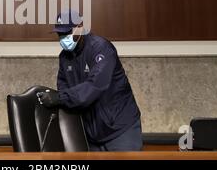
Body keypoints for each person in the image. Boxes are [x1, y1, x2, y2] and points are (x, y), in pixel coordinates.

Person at [37, 10, 143, 151]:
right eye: (60, 34)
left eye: (67, 32)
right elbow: (64, 88)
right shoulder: (64, 57)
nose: (63, 37)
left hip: (120, 129)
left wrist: (59, 98)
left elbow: (94, 87)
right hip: (92, 133)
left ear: (80, 27)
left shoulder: (101, 48)